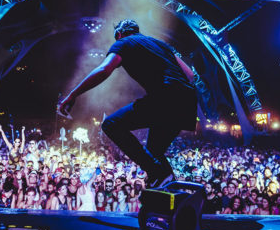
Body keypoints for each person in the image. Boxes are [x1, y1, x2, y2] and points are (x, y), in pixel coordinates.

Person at [58, 19, 197, 188]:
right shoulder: (161, 45)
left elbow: (104, 69)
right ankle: (168, 185)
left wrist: (73, 95)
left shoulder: (123, 42)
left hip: (165, 96)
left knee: (111, 124)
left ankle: (157, 173)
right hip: (187, 101)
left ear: (119, 34)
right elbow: (189, 74)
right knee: (154, 151)